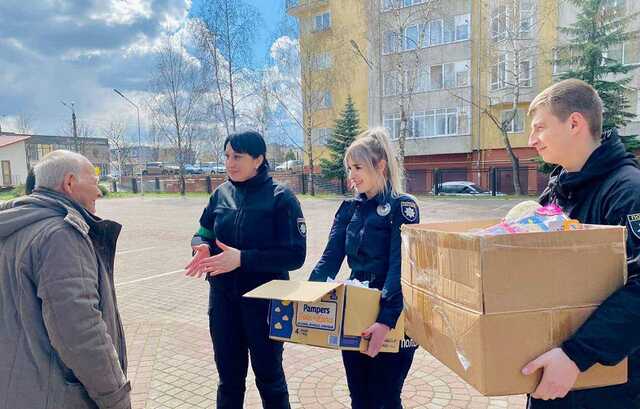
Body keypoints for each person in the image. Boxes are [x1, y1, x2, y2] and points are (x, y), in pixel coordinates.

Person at [521, 79, 640, 408]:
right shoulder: (557, 192)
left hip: (608, 388)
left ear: (574, 123)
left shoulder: (628, 192)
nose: (531, 140)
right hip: (552, 376)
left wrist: (576, 355)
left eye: (540, 128)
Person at [0, 150, 131, 409]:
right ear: (69, 183)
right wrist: (116, 397)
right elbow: (80, 332)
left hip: (17, 388)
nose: (99, 192)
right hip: (56, 395)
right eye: (94, 182)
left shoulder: (14, 226)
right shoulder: (60, 235)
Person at [185, 131, 306, 409]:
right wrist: (200, 246)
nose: (230, 163)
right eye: (227, 156)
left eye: (237, 157)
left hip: (265, 303)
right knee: (228, 381)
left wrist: (243, 259)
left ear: (258, 159)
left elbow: (295, 255)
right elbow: (202, 233)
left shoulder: (281, 198)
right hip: (224, 302)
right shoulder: (220, 195)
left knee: (270, 379)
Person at [309, 127, 420, 409]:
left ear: (380, 166)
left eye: (358, 167)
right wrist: (306, 297)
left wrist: (385, 321)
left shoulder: (402, 207)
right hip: (356, 309)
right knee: (360, 399)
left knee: (385, 400)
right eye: (349, 168)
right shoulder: (349, 209)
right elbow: (329, 259)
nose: (352, 175)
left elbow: (400, 267)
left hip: (393, 311)